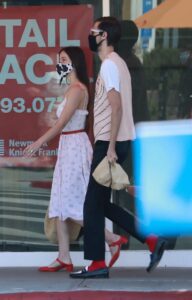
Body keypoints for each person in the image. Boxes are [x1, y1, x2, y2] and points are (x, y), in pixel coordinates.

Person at [70, 17, 168, 279]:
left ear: (104, 36)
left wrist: (110, 147)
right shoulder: (118, 64)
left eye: (93, 31)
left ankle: (97, 264)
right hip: (116, 141)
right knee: (99, 203)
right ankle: (150, 238)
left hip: (109, 143)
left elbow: (116, 106)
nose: (90, 34)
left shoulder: (110, 66)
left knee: (91, 205)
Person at [24, 46, 128, 272]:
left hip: (74, 147)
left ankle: (110, 238)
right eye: (59, 59)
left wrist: (38, 143)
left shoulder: (77, 90)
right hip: (68, 146)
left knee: (73, 203)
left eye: (64, 59)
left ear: (75, 63)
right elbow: (59, 120)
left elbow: (61, 124)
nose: (60, 63)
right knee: (61, 202)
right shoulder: (71, 89)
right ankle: (64, 256)